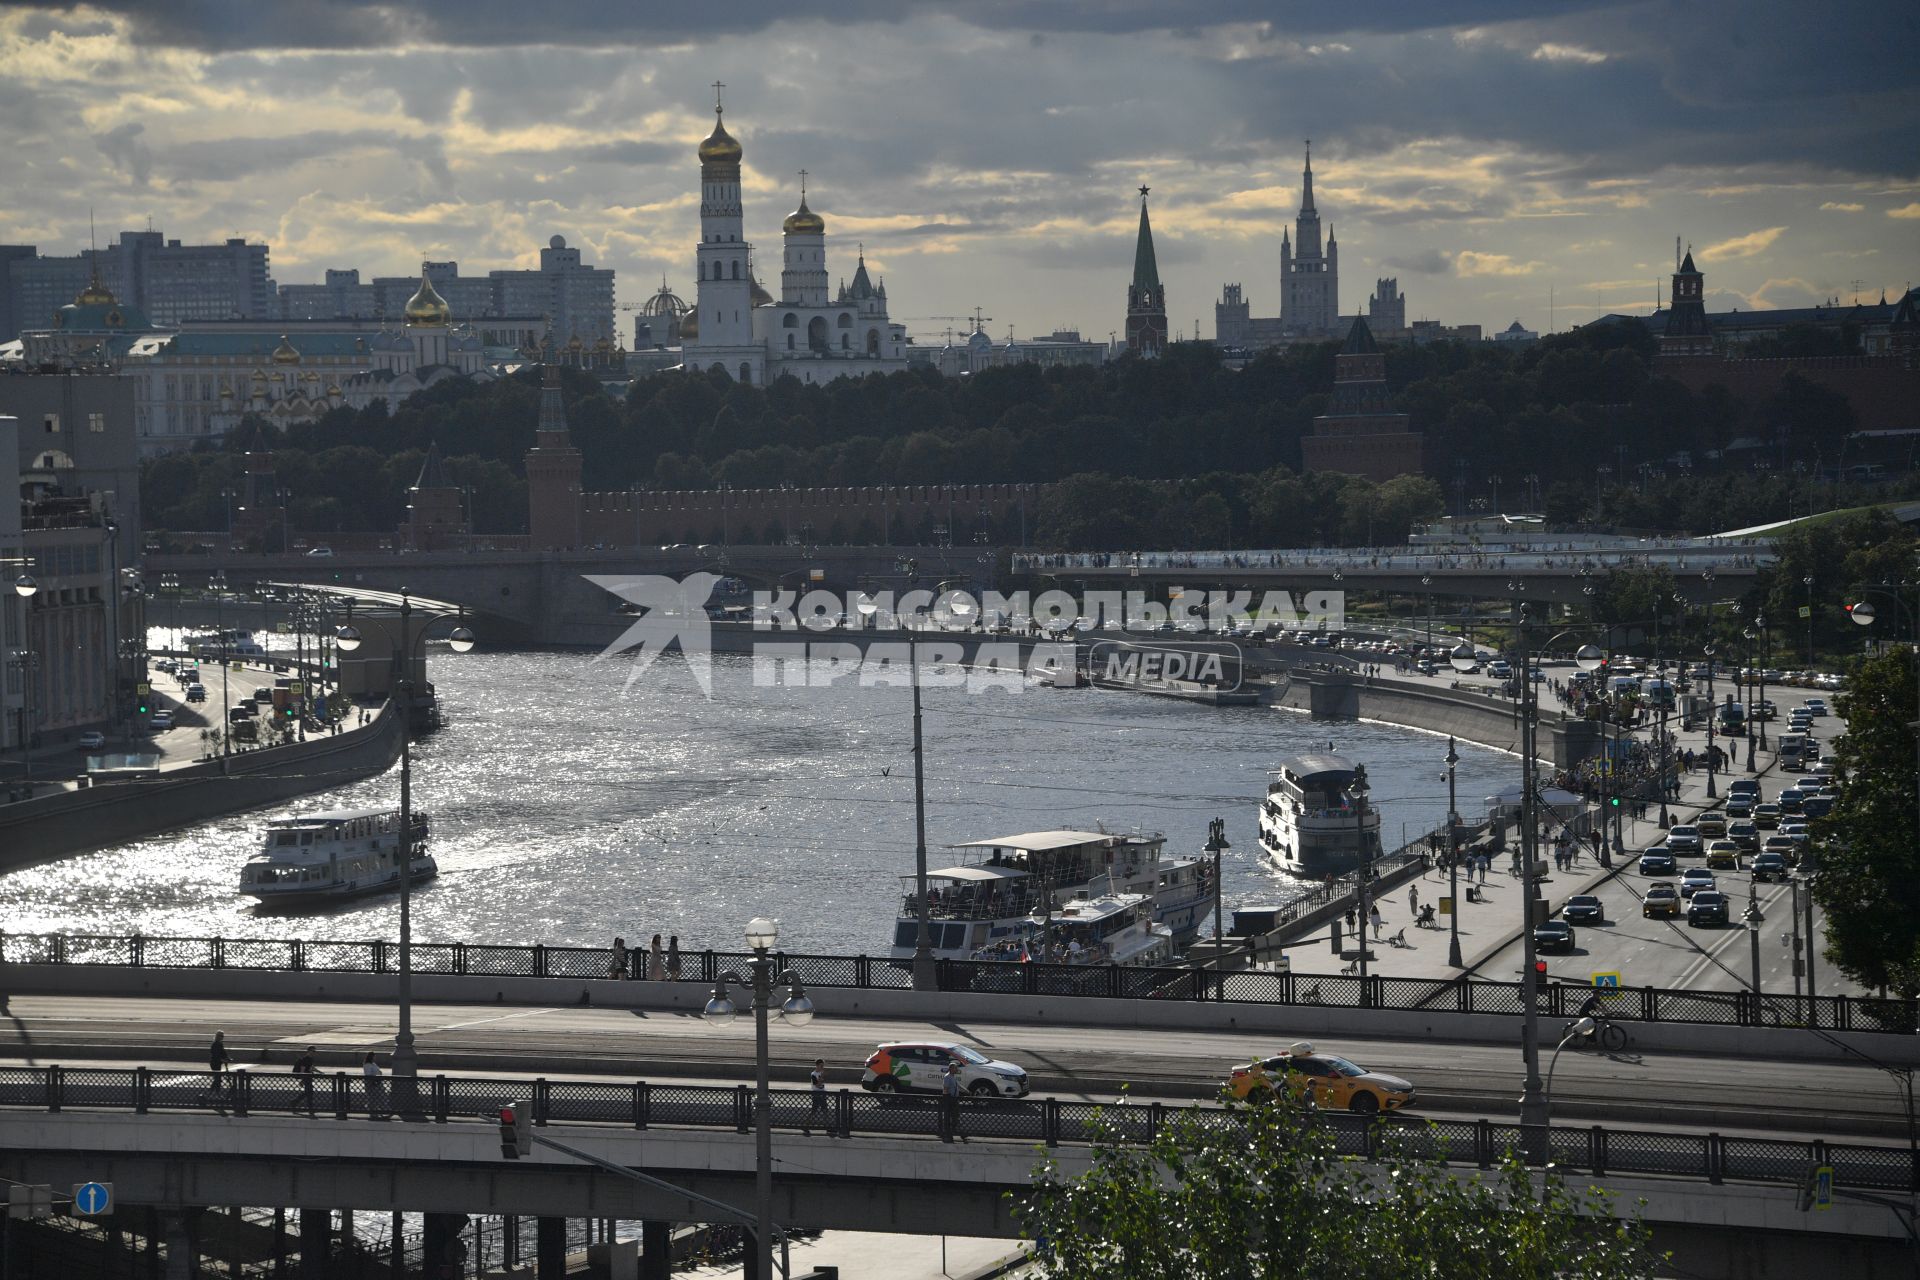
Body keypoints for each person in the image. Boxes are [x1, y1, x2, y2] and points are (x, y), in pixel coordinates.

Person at [291, 1045, 318, 1116]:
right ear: (308, 1051)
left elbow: (311, 1068)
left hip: (309, 1077)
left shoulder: (311, 1059)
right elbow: (302, 1070)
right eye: (313, 1051)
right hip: (306, 1078)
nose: (314, 1052)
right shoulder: (305, 1059)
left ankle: (294, 1102)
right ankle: (310, 1109)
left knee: (307, 1092)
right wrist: (302, 1080)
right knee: (310, 1093)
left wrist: (320, 1072)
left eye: (315, 1051)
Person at [807, 1058, 831, 1136]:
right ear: (817, 1065)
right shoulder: (813, 1074)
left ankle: (827, 1126)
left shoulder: (821, 1072)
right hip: (816, 1093)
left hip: (822, 1093)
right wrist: (821, 1078)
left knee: (824, 1110)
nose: (822, 1067)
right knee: (815, 1110)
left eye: (823, 1066)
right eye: (821, 1065)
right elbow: (816, 1085)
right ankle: (806, 1124)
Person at [941, 1062, 964, 1142]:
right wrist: (948, 1100)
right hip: (950, 1099)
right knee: (950, 1116)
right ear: (951, 1069)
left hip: (954, 1099)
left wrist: (966, 1090)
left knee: (956, 1115)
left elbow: (957, 1086)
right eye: (955, 1068)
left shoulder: (952, 1076)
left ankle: (952, 1131)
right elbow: (945, 1089)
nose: (957, 1069)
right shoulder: (947, 1077)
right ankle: (948, 1133)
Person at [208, 1031, 231, 1105]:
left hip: (218, 1063)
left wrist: (227, 1058)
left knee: (217, 1079)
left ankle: (212, 1094)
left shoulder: (220, 1044)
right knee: (217, 1079)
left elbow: (223, 1053)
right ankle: (212, 1094)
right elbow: (215, 1055)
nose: (222, 1037)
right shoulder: (215, 1044)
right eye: (221, 1036)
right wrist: (222, 1059)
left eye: (222, 1036)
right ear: (217, 1036)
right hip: (214, 1063)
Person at [362, 1052, 387, 1120]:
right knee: (373, 1098)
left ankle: (379, 1112)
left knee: (379, 1097)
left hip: (377, 1082)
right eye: (374, 1057)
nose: (375, 1058)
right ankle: (373, 1113)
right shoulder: (367, 1065)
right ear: (371, 1057)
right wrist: (373, 1081)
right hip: (372, 1083)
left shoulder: (373, 1063)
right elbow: (368, 1074)